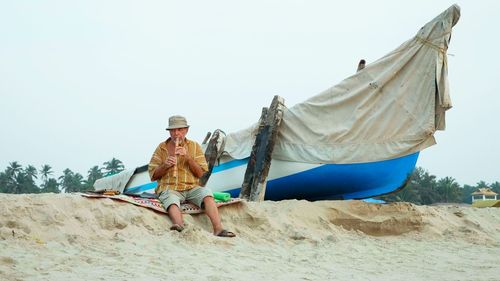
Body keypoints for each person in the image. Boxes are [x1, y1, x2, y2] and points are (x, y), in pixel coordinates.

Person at [148, 115, 235, 237]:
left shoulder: (194, 146)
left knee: (207, 195)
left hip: (191, 187)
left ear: (186, 130)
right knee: (171, 200)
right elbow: (153, 175)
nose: (176, 133)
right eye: (173, 130)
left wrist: (188, 157)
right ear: (169, 132)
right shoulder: (161, 148)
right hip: (169, 188)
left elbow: (200, 173)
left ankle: (218, 229)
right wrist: (164, 165)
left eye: (179, 129)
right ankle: (179, 226)